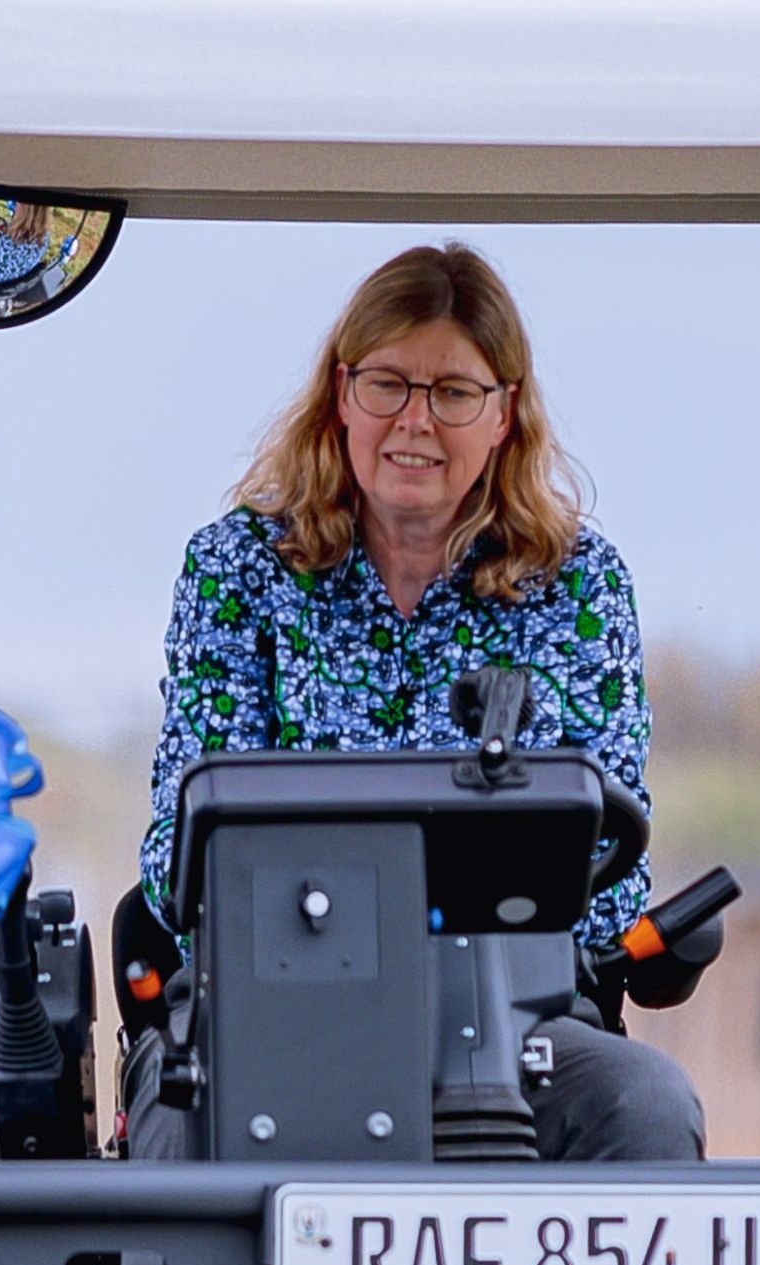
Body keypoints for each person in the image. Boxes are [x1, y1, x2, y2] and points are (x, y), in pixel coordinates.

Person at [130, 243, 708, 1160]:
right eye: (389, 385)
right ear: (341, 393)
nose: (415, 422)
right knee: (177, 1110)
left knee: (643, 1101)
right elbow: (179, 854)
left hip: (514, 1021)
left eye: (453, 393)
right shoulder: (239, 570)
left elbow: (600, 879)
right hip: (278, 1010)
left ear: (504, 413)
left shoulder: (578, 588)